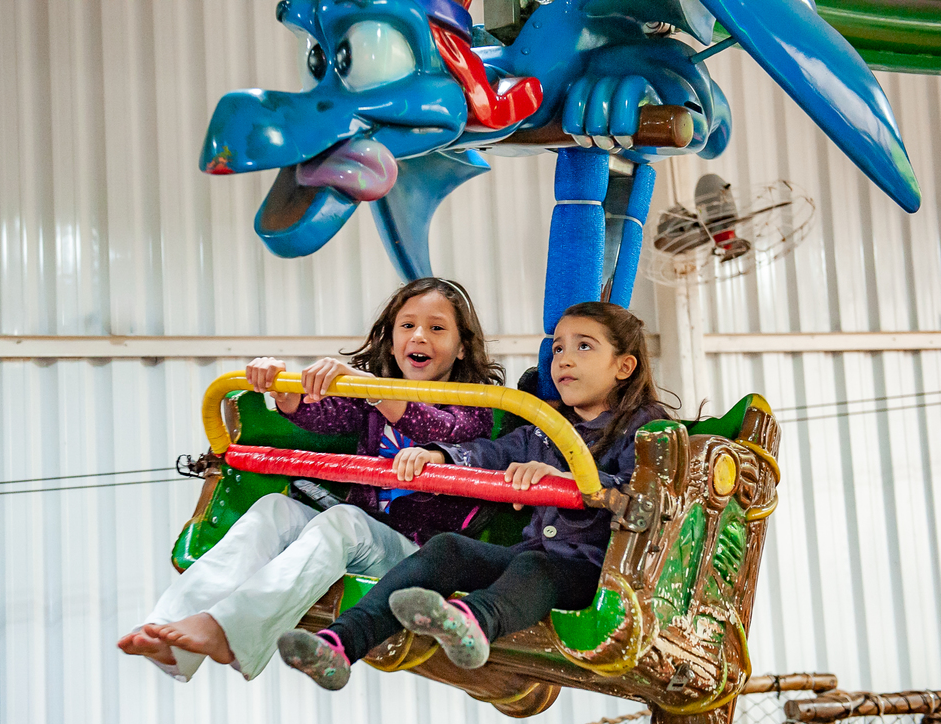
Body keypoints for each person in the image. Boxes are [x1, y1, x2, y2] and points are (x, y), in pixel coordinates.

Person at [118, 277, 505, 682]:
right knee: (275, 509)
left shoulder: (473, 405)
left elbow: (432, 422)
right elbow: (324, 417)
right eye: (407, 326)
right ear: (391, 342)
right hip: (367, 536)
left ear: (462, 348)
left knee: (344, 522)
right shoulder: (372, 400)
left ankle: (230, 630)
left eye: (437, 328)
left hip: (416, 557)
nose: (419, 336)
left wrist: (369, 388)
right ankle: (170, 630)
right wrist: (287, 394)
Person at [278, 302, 670, 689]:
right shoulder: (546, 426)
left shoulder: (648, 427)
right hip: (533, 555)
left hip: (591, 568)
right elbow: (492, 453)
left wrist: (566, 478)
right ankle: (342, 643)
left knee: (535, 567)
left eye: (584, 346)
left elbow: (645, 493)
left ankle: (472, 623)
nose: (564, 360)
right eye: (558, 349)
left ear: (624, 366)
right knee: (449, 548)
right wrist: (439, 455)